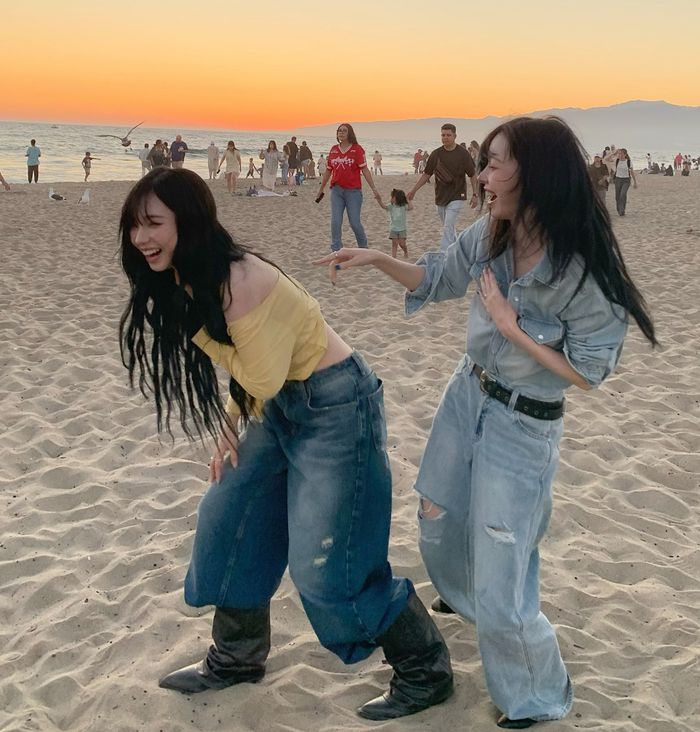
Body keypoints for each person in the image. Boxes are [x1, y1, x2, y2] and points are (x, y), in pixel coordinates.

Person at [315, 116, 657, 729]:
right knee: (436, 518)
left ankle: (535, 694)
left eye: (496, 163)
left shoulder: (581, 270)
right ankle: (478, 602)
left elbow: (588, 373)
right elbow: (437, 276)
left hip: (523, 424)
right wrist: (375, 258)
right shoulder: (491, 233)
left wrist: (509, 327)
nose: (483, 175)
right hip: (466, 396)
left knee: (504, 560)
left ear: (535, 175)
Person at [118, 167, 454, 722]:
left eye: (153, 223)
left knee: (325, 566)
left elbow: (260, 375)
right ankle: (236, 657)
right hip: (275, 405)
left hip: (335, 406)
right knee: (227, 516)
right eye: (134, 225)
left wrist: (216, 385)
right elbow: (256, 374)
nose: (141, 238)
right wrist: (231, 419)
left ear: (189, 222)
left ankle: (425, 670)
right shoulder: (187, 274)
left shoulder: (240, 280)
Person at [407, 123, 479, 251]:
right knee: (448, 227)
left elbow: (473, 175)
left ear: (455, 136)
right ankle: (458, 250)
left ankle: (444, 254)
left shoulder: (463, 154)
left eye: (448, 135)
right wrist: (414, 190)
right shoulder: (436, 154)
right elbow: (426, 174)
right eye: (443, 135)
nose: (445, 137)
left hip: (458, 195)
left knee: (447, 226)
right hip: (440, 196)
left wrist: (475, 194)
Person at [316, 123, 381, 257]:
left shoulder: (357, 150)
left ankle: (363, 248)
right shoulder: (334, 150)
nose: (341, 133)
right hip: (336, 191)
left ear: (349, 133)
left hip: (353, 192)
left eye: (344, 131)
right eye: (339, 131)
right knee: (335, 221)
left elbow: (365, 170)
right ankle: (336, 251)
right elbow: (328, 171)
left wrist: (374, 189)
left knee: (354, 223)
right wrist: (321, 188)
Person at [376, 188, 411, 258]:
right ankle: (393, 258)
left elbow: (411, 207)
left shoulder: (403, 206)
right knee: (394, 245)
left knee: (402, 244)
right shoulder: (391, 206)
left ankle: (405, 251)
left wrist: (408, 200)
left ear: (397, 198)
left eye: (392, 197)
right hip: (393, 229)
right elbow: (384, 206)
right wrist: (379, 200)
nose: (391, 198)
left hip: (402, 229)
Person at [613, 148, 637, 217]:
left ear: (625, 154)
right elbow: (606, 159)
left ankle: (622, 210)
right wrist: (614, 152)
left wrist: (635, 182)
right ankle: (619, 209)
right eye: (619, 153)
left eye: (621, 154)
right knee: (617, 196)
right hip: (617, 180)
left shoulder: (628, 162)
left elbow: (632, 172)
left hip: (626, 180)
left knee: (623, 194)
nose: (620, 155)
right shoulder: (617, 160)